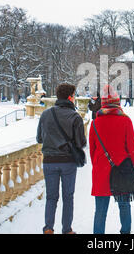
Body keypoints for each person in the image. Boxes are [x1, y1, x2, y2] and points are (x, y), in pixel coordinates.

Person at [89, 85, 134, 234]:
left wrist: (99, 165)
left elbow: (92, 151)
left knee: (100, 211)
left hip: (101, 173)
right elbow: (133, 149)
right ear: (117, 102)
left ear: (102, 103)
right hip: (121, 171)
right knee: (124, 207)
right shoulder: (125, 121)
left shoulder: (95, 124)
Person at [36, 83, 87, 234]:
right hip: (68, 162)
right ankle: (67, 229)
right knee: (68, 197)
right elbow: (81, 143)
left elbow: (39, 138)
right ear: (70, 97)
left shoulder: (46, 114)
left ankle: (48, 228)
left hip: (49, 161)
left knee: (51, 197)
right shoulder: (74, 116)